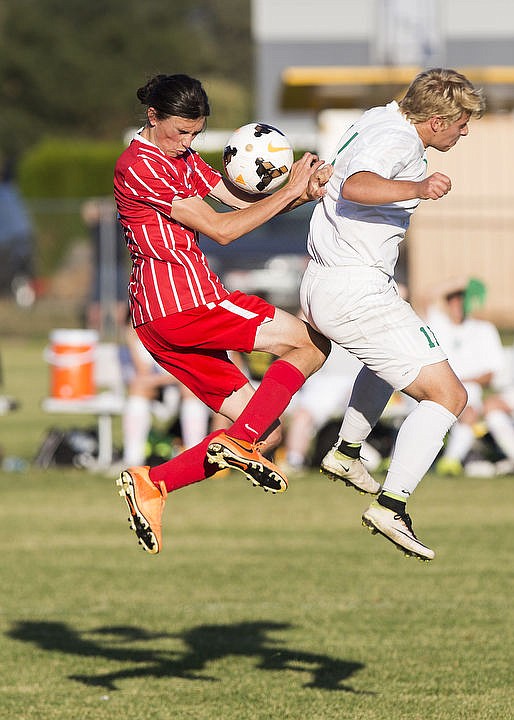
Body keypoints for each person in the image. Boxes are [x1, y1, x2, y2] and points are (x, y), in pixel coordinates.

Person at [113, 73, 332, 554]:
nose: (187, 143)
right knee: (311, 344)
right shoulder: (139, 165)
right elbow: (222, 229)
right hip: (185, 302)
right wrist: (289, 190)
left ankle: (154, 484)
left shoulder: (179, 158)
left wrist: (301, 189)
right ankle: (238, 445)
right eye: (180, 133)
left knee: (263, 430)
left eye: (195, 133)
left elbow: (234, 199)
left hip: (161, 323)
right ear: (152, 117)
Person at [300, 68, 485, 561]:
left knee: (385, 363)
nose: (465, 132)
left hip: (330, 279)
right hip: (354, 286)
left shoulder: (380, 117)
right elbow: (357, 185)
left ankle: (346, 452)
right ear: (439, 119)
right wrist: (419, 187)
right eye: (462, 122)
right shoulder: (401, 142)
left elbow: (342, 176)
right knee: (449, 395)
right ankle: (391, 504)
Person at [423, 278, 514, 476]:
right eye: (452, 299)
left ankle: (450, 462)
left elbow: (491, 374)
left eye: (461, 298)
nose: (457, 304)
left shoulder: (483, 329)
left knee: (476, 412)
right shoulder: (438, 324)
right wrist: (457, 283)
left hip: (469, 391)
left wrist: (460, 382)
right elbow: (425, 298)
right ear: (447, 302)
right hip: (437, 388)